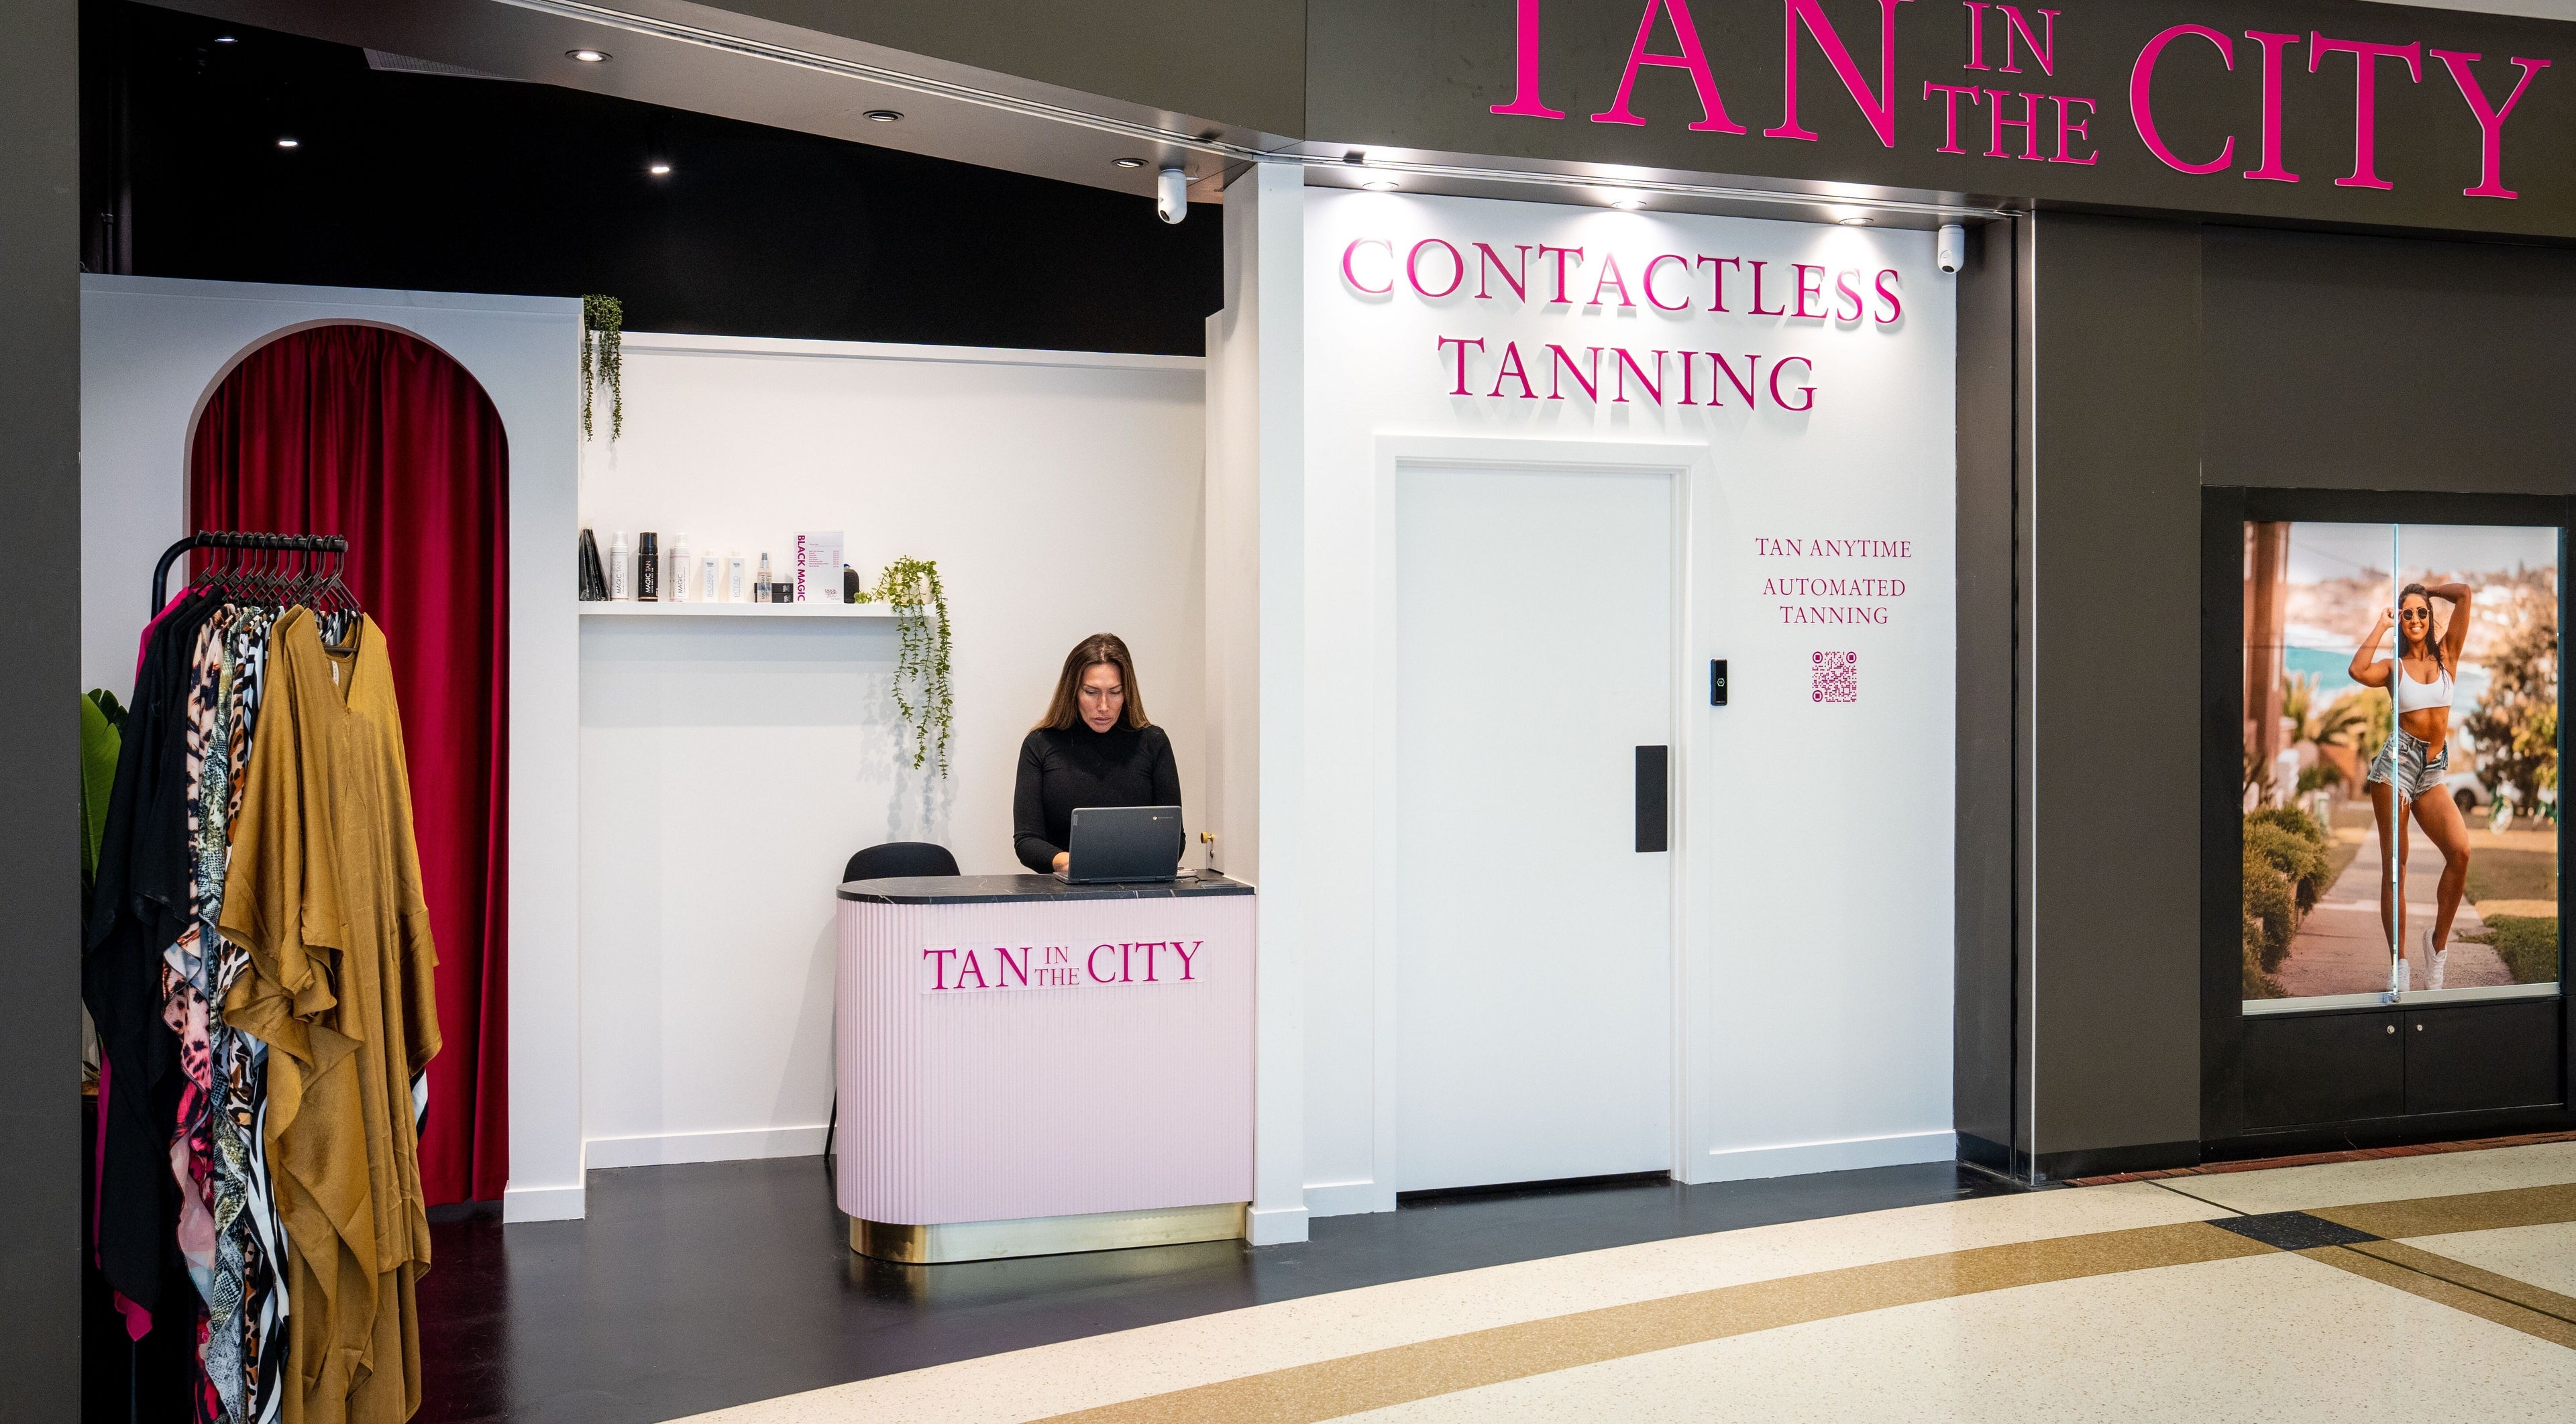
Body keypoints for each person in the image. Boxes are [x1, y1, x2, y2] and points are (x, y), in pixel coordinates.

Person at [2347, 581, 2475, 991]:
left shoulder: (2447, 656)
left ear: (2429, 616)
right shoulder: (2393, 667)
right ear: (2400, 620)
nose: (2415, 619)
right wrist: (2382, 625)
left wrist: (2427, 589)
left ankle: (2436, 949)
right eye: (2407, 614)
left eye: (2421, 612)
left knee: (2460, 851)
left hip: (2433, 770)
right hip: (2396, 768)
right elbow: (2356, 670)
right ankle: (2398, 963)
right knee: (2395, 866)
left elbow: (2466, 594)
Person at [1014, 633, 1181, 875]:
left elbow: (1175, 838)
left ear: (1127, 692)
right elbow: (1027, 840)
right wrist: (1068, 861)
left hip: (1139, 891)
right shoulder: (1040, 744)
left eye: (1115, 692)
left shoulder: (1153, 743)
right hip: (1062, 895)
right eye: (1091, 693)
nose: (1103, 706)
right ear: (1073, 692)